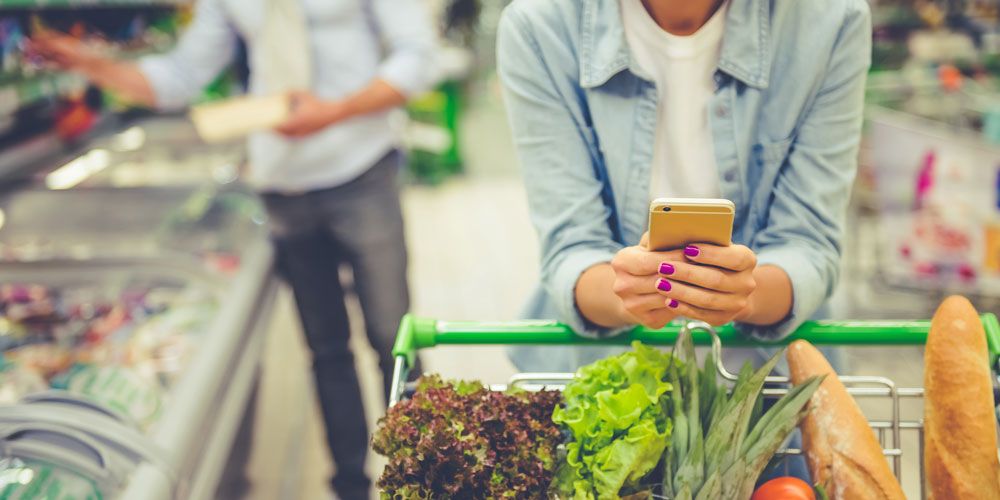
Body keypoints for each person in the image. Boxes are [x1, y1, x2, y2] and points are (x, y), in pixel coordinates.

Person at [32, 1, 437, 498]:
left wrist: (335, 110)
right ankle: (349, 486)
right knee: (326, 350)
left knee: (393, 337)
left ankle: (424, 478)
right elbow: (181, 75)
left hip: (362, 168)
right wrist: (89, 61)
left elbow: (418, 57)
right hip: (282, 184)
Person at [496, 0, 871, 371]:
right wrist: (626, 291)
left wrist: (745, 294)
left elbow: (809, 243)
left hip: (770, 388)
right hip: (604, 379)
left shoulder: (830, 21)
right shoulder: (540, 26)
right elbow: (571, 248)